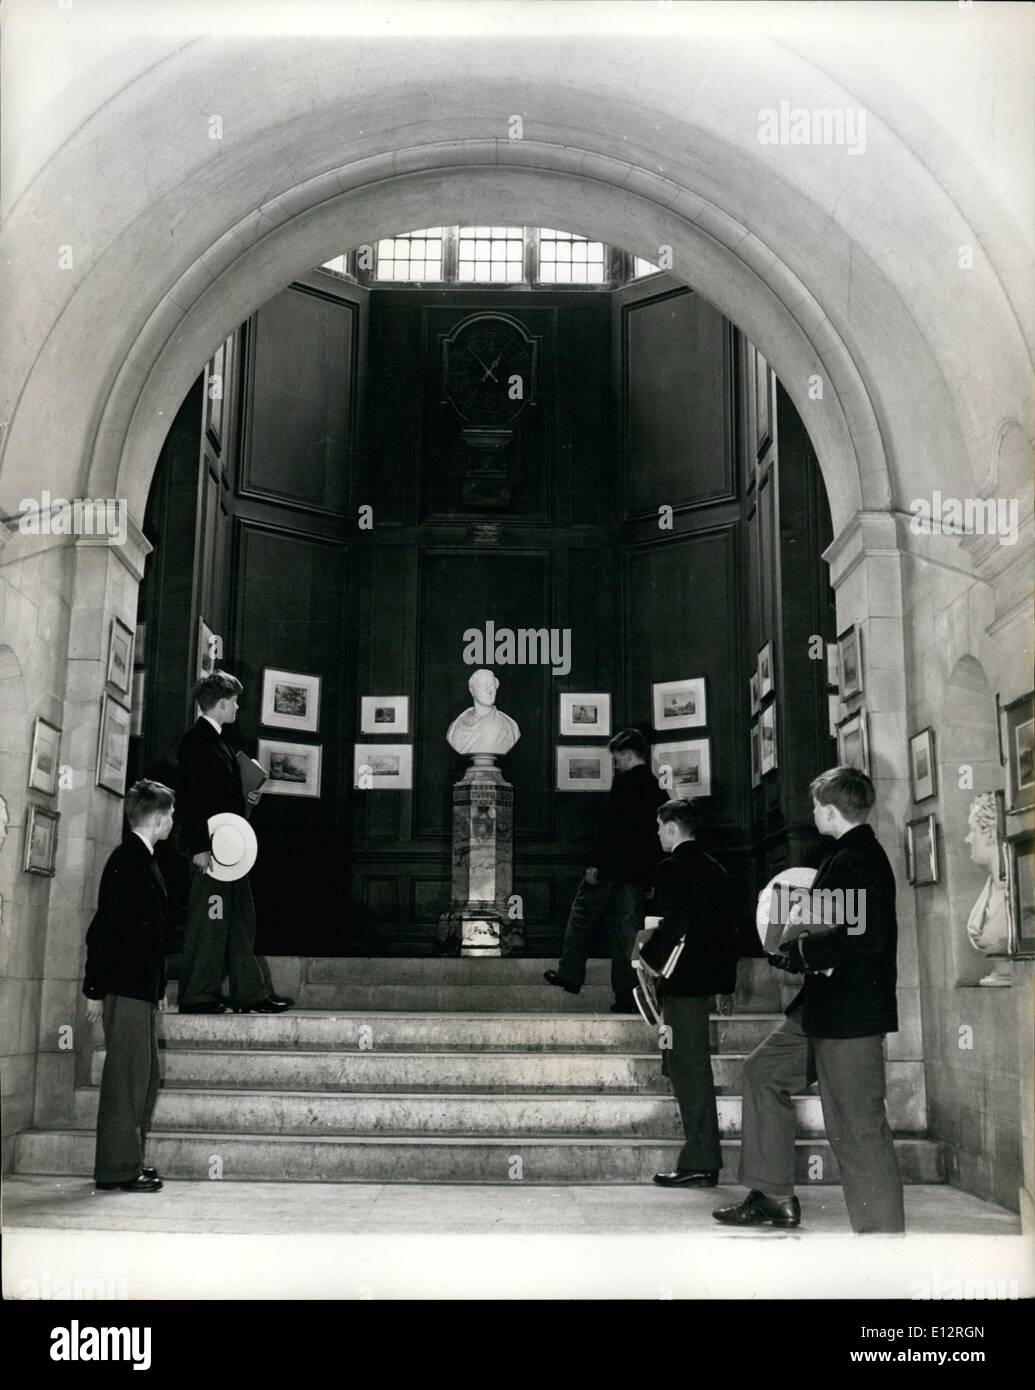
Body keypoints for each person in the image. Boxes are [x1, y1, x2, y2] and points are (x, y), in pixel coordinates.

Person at [713, 766, 905, 1233]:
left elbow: (865, 938)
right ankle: (773, 1198)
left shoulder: (860, 857)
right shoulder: (841, 855)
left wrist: (800, 949)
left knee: (857, 1124)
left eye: (817, 805)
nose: (813, 811)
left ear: (831, 810)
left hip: (850, 1015)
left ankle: (884, 1236)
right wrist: (792, 949)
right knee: (762, 1072)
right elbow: (832, 928)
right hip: (820, 1010)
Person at [176, 671, 289, 1014]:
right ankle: (197, 996)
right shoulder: (197, 741)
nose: (238, 706)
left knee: (240, 919)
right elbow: (191, 799)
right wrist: (198, 848)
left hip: (228, 851)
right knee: (210, 922)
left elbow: (218, 795)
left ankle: (249, 994)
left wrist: (247, 796)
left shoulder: (218, 740)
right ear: (222, 703)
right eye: (235, 701)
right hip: (211, 851)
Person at [83, 780, 175, 1193]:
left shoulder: (141, 857)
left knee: (143, 1076)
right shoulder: (128, 860)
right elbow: (103, 930)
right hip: (126, 987)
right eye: (170, 814)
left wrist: (157, 987)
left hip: (139, 988)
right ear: (157, 819)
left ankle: (128, 1161)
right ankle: (118, 1168)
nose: (173, 821)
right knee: (127, 1078)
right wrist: (93, 990)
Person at [642, 798, 739, 1188]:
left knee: (688, 1068)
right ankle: (700, 1157)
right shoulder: (716, 869)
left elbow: (672, 926)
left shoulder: (671, 867)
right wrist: (726, 986)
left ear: (670, 828)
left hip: (680, 981)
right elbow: (730, 933)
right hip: (705, 980)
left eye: (660, 827)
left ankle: (700, 1160)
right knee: (687, 1064)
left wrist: (646, 958)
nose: (658, 834)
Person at [545, 728, 665, 1012]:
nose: (616, 765)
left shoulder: (624, 782)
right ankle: (626, 999)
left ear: (626, 755)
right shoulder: (656, 788)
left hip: (610, 868)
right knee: (627, 936)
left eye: (617, 760)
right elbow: (655, 839)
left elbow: (609, 827)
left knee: (582, 916)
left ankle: (570, 974)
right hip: (636, 875)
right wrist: (650, 878)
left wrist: (594, 864)